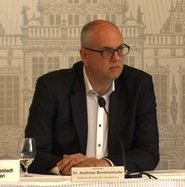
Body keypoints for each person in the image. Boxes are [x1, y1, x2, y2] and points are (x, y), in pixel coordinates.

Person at [25, 20, 159, 175]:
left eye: (120, 49)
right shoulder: (52, 87)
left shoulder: (138, 85)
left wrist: (104, 164)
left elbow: (149, 152)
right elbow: (33, 153)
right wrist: (69, 167)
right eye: (106, 51)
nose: (116, 58)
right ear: (85, 56)